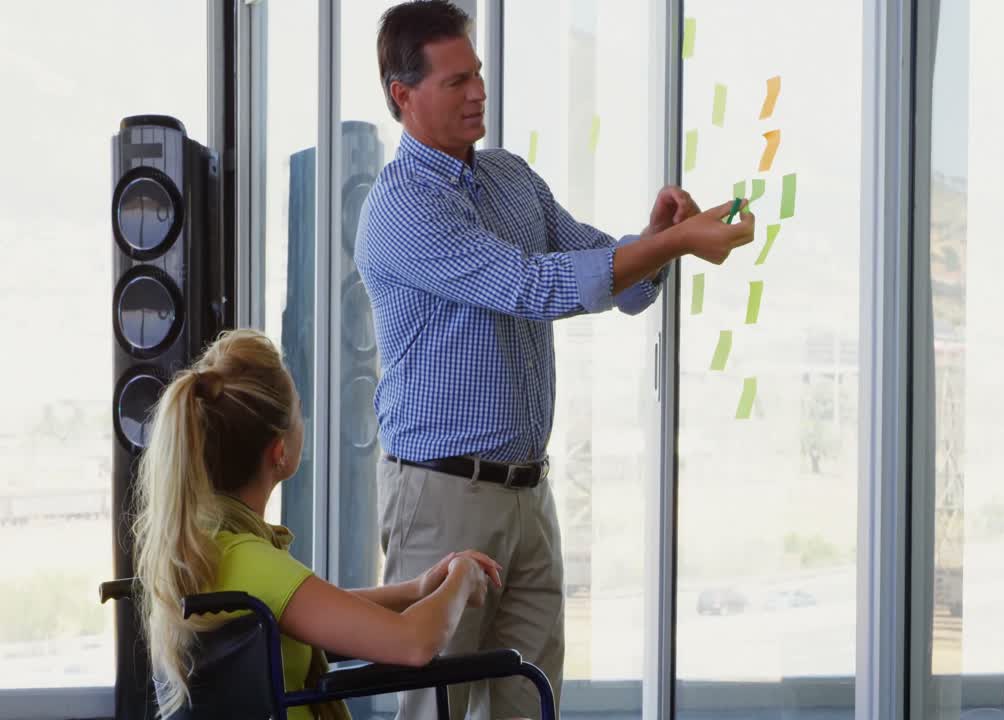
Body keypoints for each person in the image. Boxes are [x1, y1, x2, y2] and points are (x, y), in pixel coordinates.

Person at [356, 3, 755, 718]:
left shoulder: (511, 177)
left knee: (530, 703)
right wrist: (669, 246)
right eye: (455, 82)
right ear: (402, 96)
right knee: (433, 709)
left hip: (528, 497)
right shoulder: (401, 209)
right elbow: (533, 289)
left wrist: (654, 237)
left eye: (477, 73)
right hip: (442, 501)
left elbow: (604, 276)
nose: (478, 92)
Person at [132, 329, 503, 720]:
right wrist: (462, 577)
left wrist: (416, 589)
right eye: (299, 410)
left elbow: (312, 610)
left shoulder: (203, 543)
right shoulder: (250, 559)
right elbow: (415, 643)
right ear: (279, 452)